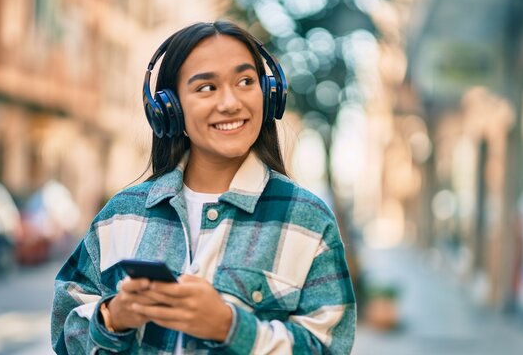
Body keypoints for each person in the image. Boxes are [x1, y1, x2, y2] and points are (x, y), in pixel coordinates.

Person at [51, 20, 356, 354]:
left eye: (245, 81)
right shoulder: (120, 216)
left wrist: (229, 327)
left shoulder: (308, 220)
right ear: (170, 109)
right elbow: (65, 334)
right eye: (206, 87)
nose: (230, 102)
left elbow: (329, 347)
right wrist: (112, 318)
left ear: (269, 95)